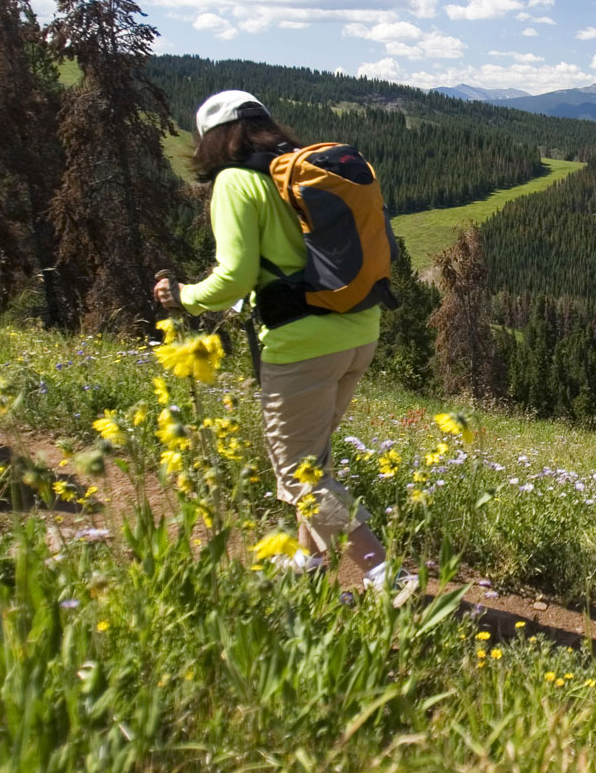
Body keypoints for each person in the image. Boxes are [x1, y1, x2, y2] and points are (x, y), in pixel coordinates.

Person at [153, 90, 407, 595]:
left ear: (213, 139)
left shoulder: (235, 181)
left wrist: (182, 296)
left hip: (302, 345)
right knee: (316, 458)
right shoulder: (295, 175)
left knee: (297, 472)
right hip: (358, 329)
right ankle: (307, 562)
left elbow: (233, 278)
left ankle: (385, 575)